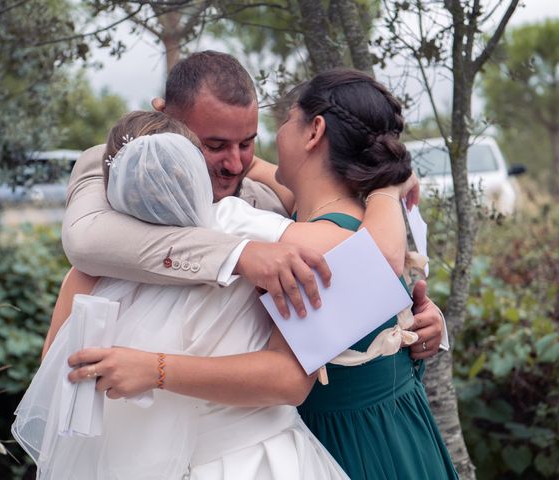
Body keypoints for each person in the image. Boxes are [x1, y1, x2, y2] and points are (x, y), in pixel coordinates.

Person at [67, 69, 458, 479]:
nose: (241, 159)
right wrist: (386, 186)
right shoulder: (322, 218)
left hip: (356, 447)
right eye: (215, 144)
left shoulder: (323, 241)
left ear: (314, 131)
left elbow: (290, 375)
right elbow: (261, 172)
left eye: (284, 121)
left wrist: (155, 368)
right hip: (400, 432)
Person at [14, 111, 351, 479]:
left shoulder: (90, 269)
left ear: (111, 185)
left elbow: (62, 395)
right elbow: (354, 254)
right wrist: (386, 189)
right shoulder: (244, 230)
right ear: (195, 171)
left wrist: (151, 370)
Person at [61, 51, 447, 358]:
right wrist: (241, 255)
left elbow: (348, 254)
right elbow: (87, 240)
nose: (234, 163)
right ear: (164, 115)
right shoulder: (114, 166)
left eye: (246, 143)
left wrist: (409, 321)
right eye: (213, 146)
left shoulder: (264, 196)